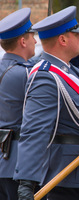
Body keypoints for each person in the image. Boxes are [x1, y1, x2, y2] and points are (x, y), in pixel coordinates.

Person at [13, 6, 79, 200]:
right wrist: (26, 182)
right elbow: (35, 130)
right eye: (76, 34)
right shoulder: (46, 77)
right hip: (68, 176)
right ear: (63, 39)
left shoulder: (70, 71)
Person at [0, 8, 36, 200]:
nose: (36, 42)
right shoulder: (26, 74)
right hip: (18, 161)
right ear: (23, 41)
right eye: (32, 38)